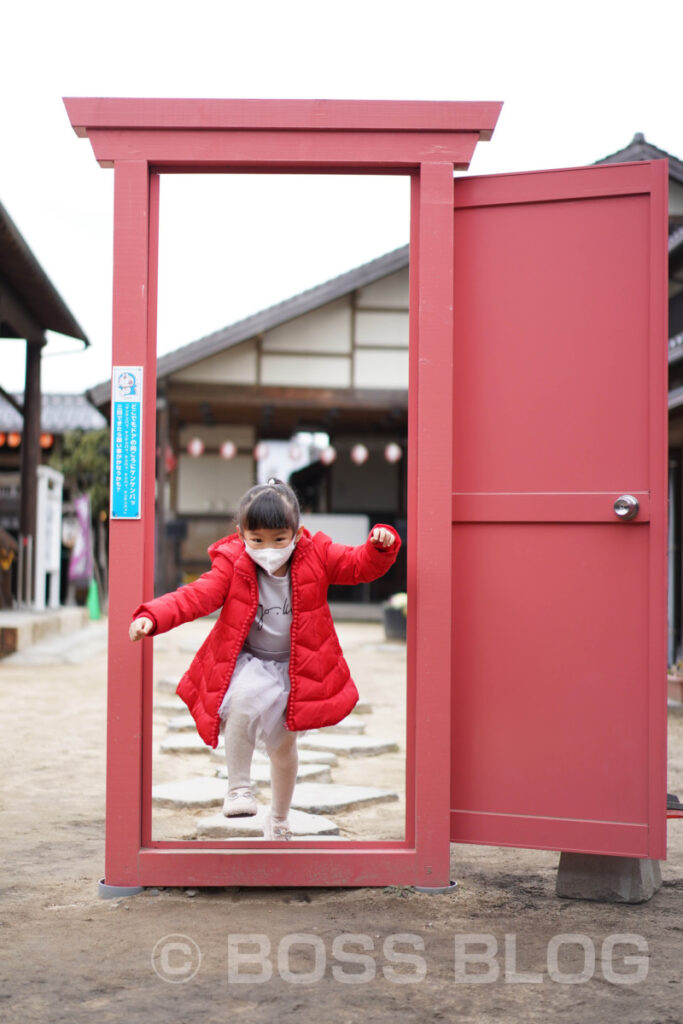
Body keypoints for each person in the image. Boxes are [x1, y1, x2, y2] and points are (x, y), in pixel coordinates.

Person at [129, 478, 401, 841]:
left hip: (296, 668)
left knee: (284, 749)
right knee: (241, 702)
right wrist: (154, 616)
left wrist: (380, 544)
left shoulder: (316, 553)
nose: (268, 549)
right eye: (257, 540)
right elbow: (195, 596)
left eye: (278, 539)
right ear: (241, 533)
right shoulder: (233, 563)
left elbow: (358, 566)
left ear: (297, 532)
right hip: (252, 662)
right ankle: (238, 788)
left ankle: (280, 817)